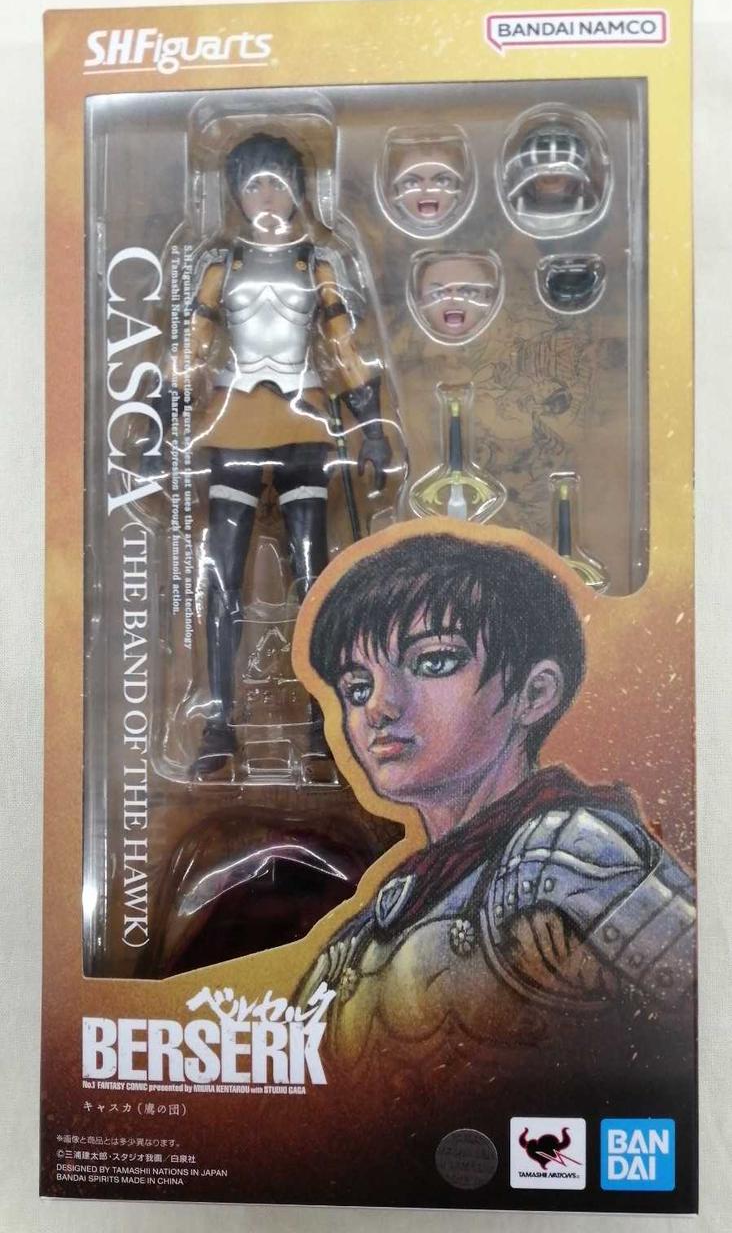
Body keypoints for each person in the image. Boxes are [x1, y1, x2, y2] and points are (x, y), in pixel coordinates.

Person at [296, 529, 695, 1082]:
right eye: (357, 686)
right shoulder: (361, 937)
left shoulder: (571, 860)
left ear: (536, 693)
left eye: (434, 662)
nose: (379, 709)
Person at [178, 132, 396, 775]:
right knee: (223, 574)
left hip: (305, 420)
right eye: (255, 186)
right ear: (236, 196)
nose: (268, 196)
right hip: (235, 418)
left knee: (312, 574)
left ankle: (322, 721)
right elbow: (192, 347)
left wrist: (371, 427)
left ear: (299, 191)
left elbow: (343, 346)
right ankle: (219, 721)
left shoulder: (315, 264)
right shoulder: (221, 268)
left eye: (278, 183)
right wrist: (163, 423)